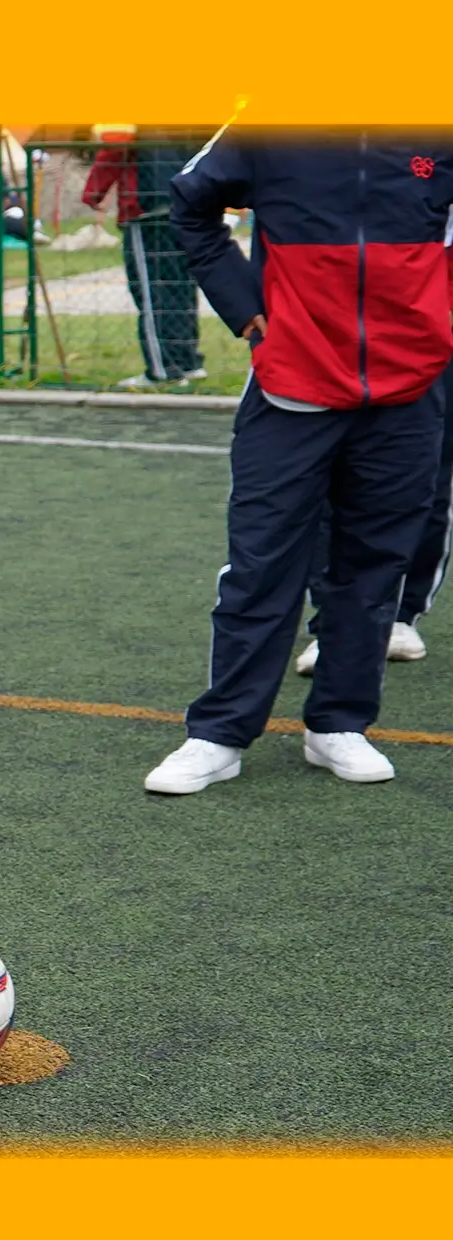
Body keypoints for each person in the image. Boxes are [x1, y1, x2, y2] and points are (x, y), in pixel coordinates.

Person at [144, 130, 453, 795]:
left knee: (373, 564)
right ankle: (219, 732)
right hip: (293, 380)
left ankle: (339, 724)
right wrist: (242, 303)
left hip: (411, 385)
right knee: (262, 562)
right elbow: (191, 203)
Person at [297, 361, 453, 674]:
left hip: (428, 339)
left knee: (426, 474)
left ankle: (401, 615)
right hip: (330, 338)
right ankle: (332, 623)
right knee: (327, 476)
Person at [80, 125, 206, 388]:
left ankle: (163, 369)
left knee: (151, 291)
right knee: (180, 287)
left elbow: (116, 144)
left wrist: (94, 191)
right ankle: (188, 361)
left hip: (146, 205)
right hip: (185, 201)